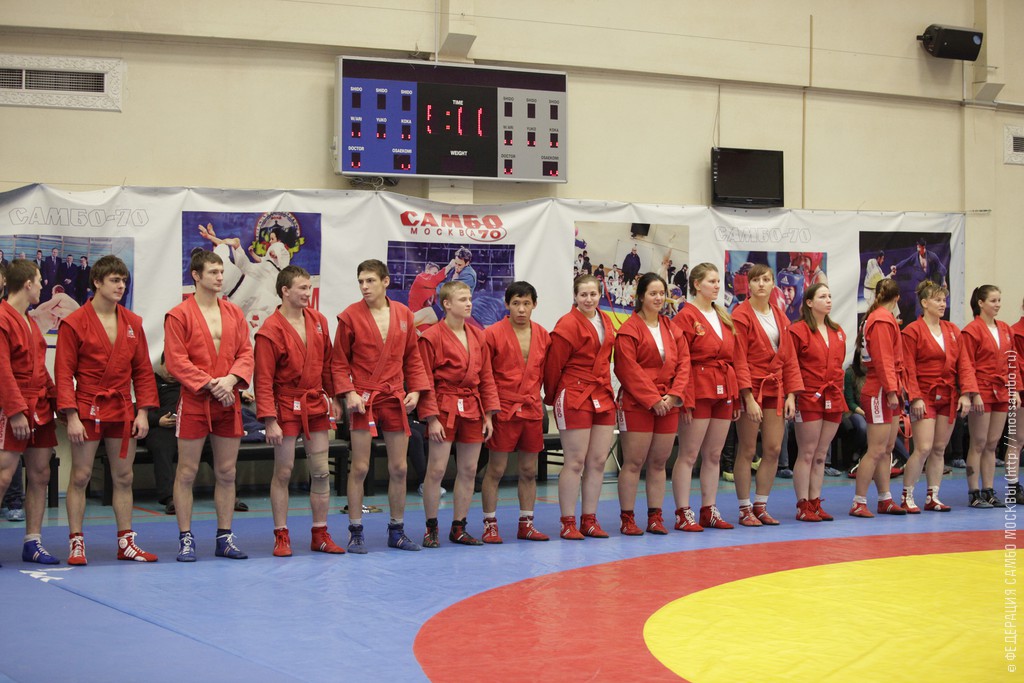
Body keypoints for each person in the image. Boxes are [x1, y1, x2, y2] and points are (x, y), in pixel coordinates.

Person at [55, 255, 160, 564]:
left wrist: (143, 412)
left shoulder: (132, 322)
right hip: (88, 408)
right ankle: (76, 542)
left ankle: (126, 542)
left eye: (124, 280)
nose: (121, 285)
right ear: (97, 282)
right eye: (115, 280)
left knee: (124, 476)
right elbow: (64, 373)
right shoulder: (75, 322)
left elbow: (143, 371)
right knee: (81, 476)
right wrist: (71, 416)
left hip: (122, 407)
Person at [333, 259, 430, 552]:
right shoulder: (349, 317)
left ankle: (397, 530)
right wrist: (348, 393)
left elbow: (413, 357)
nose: (364, 287)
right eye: (361, 281)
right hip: (364, 399)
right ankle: (355, 531)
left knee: (399, 468)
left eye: (370, 281)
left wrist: (416, 391)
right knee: (360, 467)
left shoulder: (404, 314)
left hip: (394, 396)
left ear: (385, 281)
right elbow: (338, 363)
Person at [164, 249, 254, 561]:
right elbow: (176, 361)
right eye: (213, 272)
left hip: (227, 400)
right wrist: (212, 384)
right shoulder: (179, 315)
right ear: (196, 275)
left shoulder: (234, 313)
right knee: (187, 471)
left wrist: (230, 380)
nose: (219, 277)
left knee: (227, 471)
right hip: (195, 400)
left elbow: (246, 352)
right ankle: (186, 538)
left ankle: (224, 537)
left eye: (221, 272)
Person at [254, 265, 344, 557]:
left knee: (321, 472)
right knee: (284, 472)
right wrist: (269, 420)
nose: (308, 293)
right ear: (285, 291)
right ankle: (281, 535)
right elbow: (263, 379)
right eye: (302, 288)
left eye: (309, 287)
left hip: (315, 404)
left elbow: (328, 364)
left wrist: (334, 397)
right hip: (285, 407)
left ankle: (320, 533)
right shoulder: (270, 330)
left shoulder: (318, 321)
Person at [417, 281, 500, 547]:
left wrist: (489, 414)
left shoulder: (478, 336)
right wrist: (431, 418)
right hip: (444, 406)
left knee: (469, 469)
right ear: (447, 304)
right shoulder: (431, 337)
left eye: (469, 299)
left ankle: (459, 527)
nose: (469, 303)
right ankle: (431, 528)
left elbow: (486, 377)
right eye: (463, 299)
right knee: (436, 470)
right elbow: (424, 379)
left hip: (472, 406)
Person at [670, 263, 745, 531]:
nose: (717, 286)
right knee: (689, 454)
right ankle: (682, 511)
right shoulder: (685, 317)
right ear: (696, 284)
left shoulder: (723, 315)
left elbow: (734, 359)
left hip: (723, 388)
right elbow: (680, 361)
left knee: (714, 454)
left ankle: (708, 509)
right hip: (698, 388)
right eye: (711, 281)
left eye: (718, 281)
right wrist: (685, 398)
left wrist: (736, 397)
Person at [613, 273, 688, 536]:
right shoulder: (629, 329)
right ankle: (627, 518)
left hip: (668, 403)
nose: (658, 298)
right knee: (634, 462)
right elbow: (627, 368)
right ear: (641, 296)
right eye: (652, 293)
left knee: (659, 463)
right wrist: (652, 399)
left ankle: (655, 517)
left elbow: (684, 364)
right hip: (638, 404)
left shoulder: (672, 328)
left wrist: (674, 395)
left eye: (661, 293)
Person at [543, 274, 616, 540]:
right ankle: (567, 522)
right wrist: (554, 398)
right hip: (574, 394)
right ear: (575, 296)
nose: (588, 299)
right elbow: (553, 366)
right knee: (575, 462)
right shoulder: (567, 324)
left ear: (599, 295)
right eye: (583, 295)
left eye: (593, 294)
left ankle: (590, 520)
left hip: (602, 394)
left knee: (598, 461)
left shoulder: (606, 320)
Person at [479, 281, 551, 543]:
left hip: (531, 408)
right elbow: (485, 375)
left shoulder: (543, 335)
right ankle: (490, 524)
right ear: (506, 304)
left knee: (529, 470)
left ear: (534, 305)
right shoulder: (492, 334)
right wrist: (488, 411)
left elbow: (545, 373)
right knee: (496, 469)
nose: (521, 309)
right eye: (516, 303)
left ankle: (526, 524)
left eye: (526, 303)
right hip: (503, 409)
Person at [731, 264, 803, 526]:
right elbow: (739, 359)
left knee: (773, 448)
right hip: (751, 388)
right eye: (756, 280)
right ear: (748, 285)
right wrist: (747, 397)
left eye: (765, 279)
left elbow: (790, 359)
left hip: (776, 388)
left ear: (773, 284)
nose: (761, 284)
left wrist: (791, 395)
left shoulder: (781, 317)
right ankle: (744, 508)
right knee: (748, 449)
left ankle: (760, 505)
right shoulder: (740, 315)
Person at [0, 260, 60, 566]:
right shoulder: (2, 318)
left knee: (41, 473)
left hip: (39, 405)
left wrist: (60, 402)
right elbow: (2, 369)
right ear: (27, 284)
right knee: (3, 474)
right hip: (14, 405)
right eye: (39, 281)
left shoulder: (29, 321)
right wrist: (14, 411)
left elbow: (40, 369)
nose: (41, 286)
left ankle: (32, 542)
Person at [900, 281, 978, 512]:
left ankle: (932, 496)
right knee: (923, 448)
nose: (942, 304)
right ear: (924, 303)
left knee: (939, 448)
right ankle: (907, 495)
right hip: (924, 395)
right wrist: (915, 397)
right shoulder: (912, 331)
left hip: (948, 395)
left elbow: (964, 364)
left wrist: (966, 393)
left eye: (944, 300)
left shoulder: (953, 330)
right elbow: (908, 367)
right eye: (937, 300)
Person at [788, 283, 847, 522]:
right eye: (823, 296)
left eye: (830, 296)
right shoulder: (798, 331)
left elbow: (839, 364)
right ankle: (802, 504)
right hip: (809, 396)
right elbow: (791, 365)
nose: (829, 300)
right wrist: (792, 395)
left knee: (821, 454)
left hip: (833, 395)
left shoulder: (838, 331)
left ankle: (815, 501)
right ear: (810, 302)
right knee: (807, 452)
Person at [849, 279, 908, 518]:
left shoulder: (879, 317)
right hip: (880, 389)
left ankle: (885, 498)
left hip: (886, 387)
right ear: (897, 298)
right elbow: (883, 360)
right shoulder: (882, 319)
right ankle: (859, 501)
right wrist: (892, 390)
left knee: (887, 448)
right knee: (875, 450)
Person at [960, 284, 1016, 508]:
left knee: (992, 443)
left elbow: (1012, 362)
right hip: (981, 390)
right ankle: (974, 492)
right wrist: (973, 394)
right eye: (993, 301)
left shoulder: (1005, 329)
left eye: (999, 300)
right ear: (981, 303)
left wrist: (1014, 390)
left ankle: (989, 490)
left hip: (1001, 390)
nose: (998, 305)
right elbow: (967, 364)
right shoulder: (971, 331)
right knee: (978, 442)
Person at [1008, 299, 1024, 504]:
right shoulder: (1015, 333)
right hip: (1021, 392)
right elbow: (1015, 365)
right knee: (1016, 440)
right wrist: (1016, 391)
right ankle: (1013, 486)